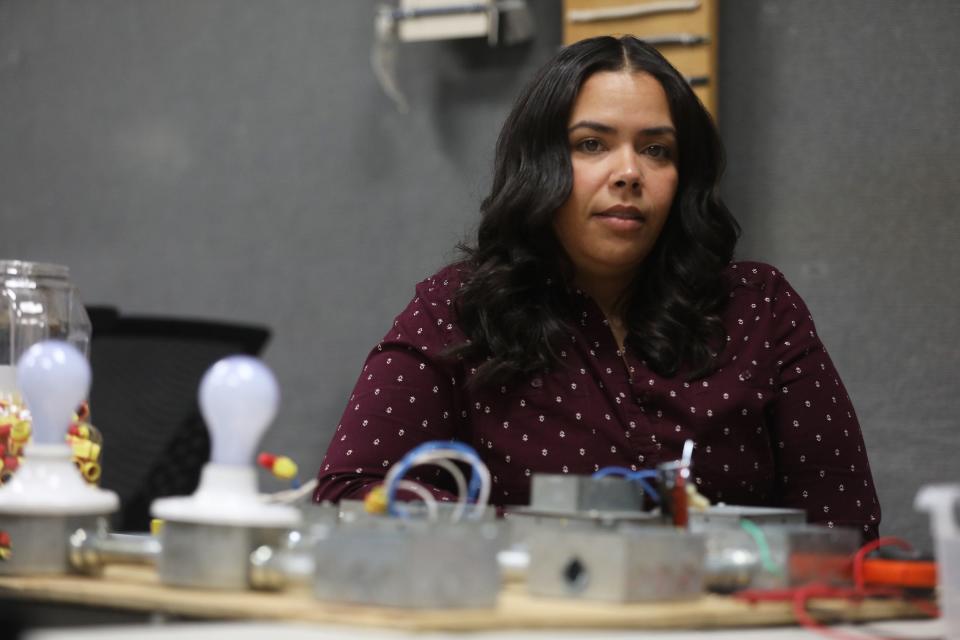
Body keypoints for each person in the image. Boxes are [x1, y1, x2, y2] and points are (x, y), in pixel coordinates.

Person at [314, 35, 881, 539]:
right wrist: (573, 543)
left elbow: (844, 519)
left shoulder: (758, 308)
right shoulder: (459, 310)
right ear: (541, 165)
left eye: (656, 149)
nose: (628, 171)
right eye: (592, 144)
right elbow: (353, 490)